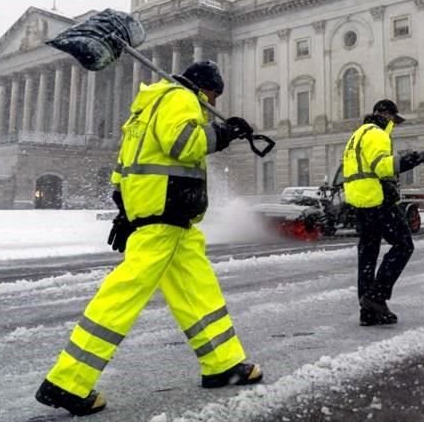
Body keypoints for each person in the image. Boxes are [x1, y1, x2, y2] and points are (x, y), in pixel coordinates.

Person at [35, 60, 262, 416]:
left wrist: (126, 212)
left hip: (167, 218)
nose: (211, 105)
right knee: (122, 295)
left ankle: (223, 364)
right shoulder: (181, 98)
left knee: (198, 292)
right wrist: (224, 133)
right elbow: (183, 144)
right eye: (213, 96)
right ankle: (67, 381)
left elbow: (123, 169)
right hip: (164, 216)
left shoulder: (146, 109)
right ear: (205, 88)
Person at [342, 99, 424, 326]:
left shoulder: (357, 135)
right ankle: (376, 296)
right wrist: (413, 158)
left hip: (360, 202)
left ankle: (368, 312)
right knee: (404, 245)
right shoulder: (376, 133)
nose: (394, 124)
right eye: (394, 119)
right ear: (386, 115)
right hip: (377, 200)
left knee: (368, 255)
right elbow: (382, 166)